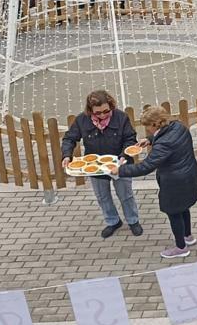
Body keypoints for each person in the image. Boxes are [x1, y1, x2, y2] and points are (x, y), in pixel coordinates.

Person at [117, 105, 197, 259]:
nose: (147, 129)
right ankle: (188, 237)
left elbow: (145, 166)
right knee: (184, 207)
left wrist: (120, 171)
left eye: (148, 126)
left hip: (174, 182)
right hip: (189, 175)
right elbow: (165, 136)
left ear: (156, 124)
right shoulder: (178, 127)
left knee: (174, 212)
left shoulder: (164, 144)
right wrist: (150, 140)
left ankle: (181, 247)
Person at [60, 90, 142, 238]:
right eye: (98, 113)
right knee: (102, 196)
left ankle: (133, 220)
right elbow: (69, 139)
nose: (103, 115)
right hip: (95, 167)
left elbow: (130, 138)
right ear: (90, 110)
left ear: (111, 105)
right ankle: (113, 221)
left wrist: (124, 156)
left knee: (126, 195)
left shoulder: (121, 117)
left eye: (106, 111)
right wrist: (67, 155)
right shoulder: (81, 120)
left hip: (119, 164)